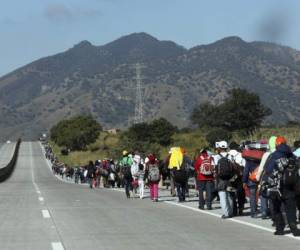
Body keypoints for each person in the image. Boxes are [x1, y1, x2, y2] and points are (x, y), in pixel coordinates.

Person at [263, 136, 300, 236]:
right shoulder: (291, 154)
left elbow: (268, 170)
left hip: (276, 186)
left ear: (276, 144)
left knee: (276, 207)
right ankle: (294, 229)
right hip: (290, 185)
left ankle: (280, 229)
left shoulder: (274, 155)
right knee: (291, 208)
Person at [215, 141, 236, 219]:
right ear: (227, 148)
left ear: (219, 148)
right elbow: (234, 167)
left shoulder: (216, 157)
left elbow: (215, 169)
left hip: (220, 179)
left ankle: (226, 213)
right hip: (230, 180)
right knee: (230, 196)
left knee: (222, 196)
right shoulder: (230, 156)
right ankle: (231, 212)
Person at [228, 142, 246, 216]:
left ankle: (234, 210)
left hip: (230, 178)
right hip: (239, 176)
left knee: (231, 193)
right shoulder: (240, 154)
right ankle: (241, 208)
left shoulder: (227, 155)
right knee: (240, 193)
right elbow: (244, 166)